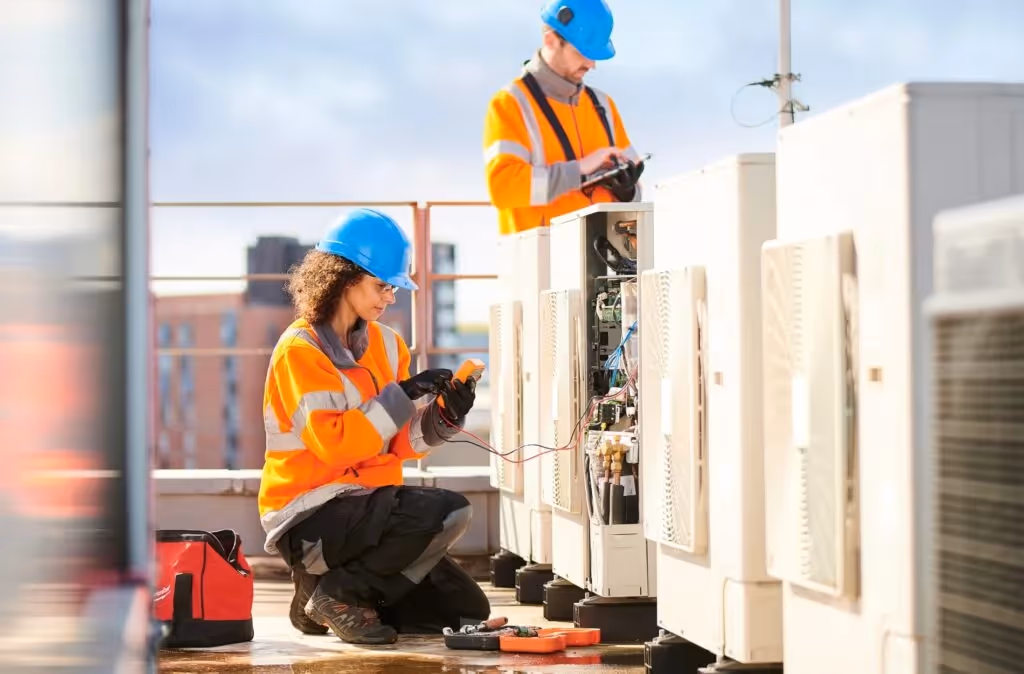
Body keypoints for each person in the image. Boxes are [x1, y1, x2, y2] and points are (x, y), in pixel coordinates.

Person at [257, 208, 491, 644]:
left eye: (394, 287)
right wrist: (400, 396)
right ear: (344, 279)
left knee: (466, 611)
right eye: (382, 285)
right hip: (310, 514)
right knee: (449, 511)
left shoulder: (388, 343)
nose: (390, 297)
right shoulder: (300, 351)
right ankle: (339, 593)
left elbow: (400, 444)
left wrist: (446, 415)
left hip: (369, 510)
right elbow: (336, 446)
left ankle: (318, 596)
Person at [483, 0, 645, 235]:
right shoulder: (510, 104)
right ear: (550, 40)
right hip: (541, 263)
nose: (592, 64)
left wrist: (628, 191)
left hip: (603, 263)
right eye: (582, 52)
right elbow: (503, 189)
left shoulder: (604, 106)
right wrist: (578, 170)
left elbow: (638, 195)